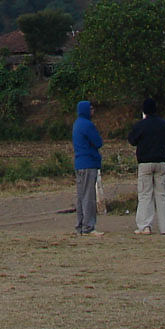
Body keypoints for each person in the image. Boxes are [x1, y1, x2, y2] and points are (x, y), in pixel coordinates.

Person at [127, 97, 165, 235]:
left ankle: (144, 226)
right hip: (162, 162)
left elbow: (132, 140)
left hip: (145, 163)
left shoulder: (141, 125)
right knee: (162, 195)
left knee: (145, 195)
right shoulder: (164, 124)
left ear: (144, 111)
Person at [72, 100, 104, 235]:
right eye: (90, 108)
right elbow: (98, 142)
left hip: (79, 164)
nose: (93, 111)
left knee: (81, 196)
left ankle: (80, 225)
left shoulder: (77, 124)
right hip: (88, 163)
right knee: (89, 197)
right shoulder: (87, 125)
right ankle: (88, 227)